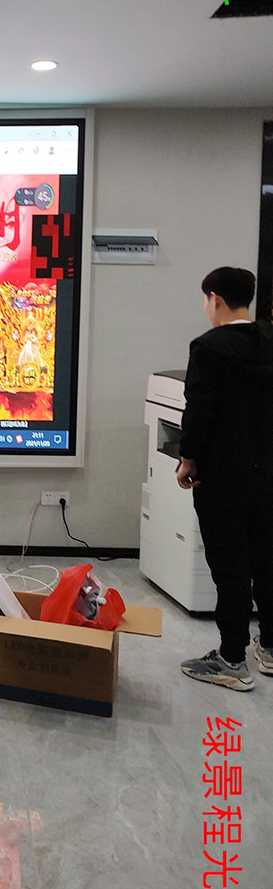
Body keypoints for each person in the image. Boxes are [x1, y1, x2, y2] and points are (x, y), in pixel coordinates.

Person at [177, 266, 273, 690]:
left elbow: (199, 410)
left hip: (224, 477)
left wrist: (188, 460)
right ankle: (269, 648)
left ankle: (233, 658)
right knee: (267, 561)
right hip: (268, 474)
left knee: (231, 567)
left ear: (214, 299)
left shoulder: (209, 347)